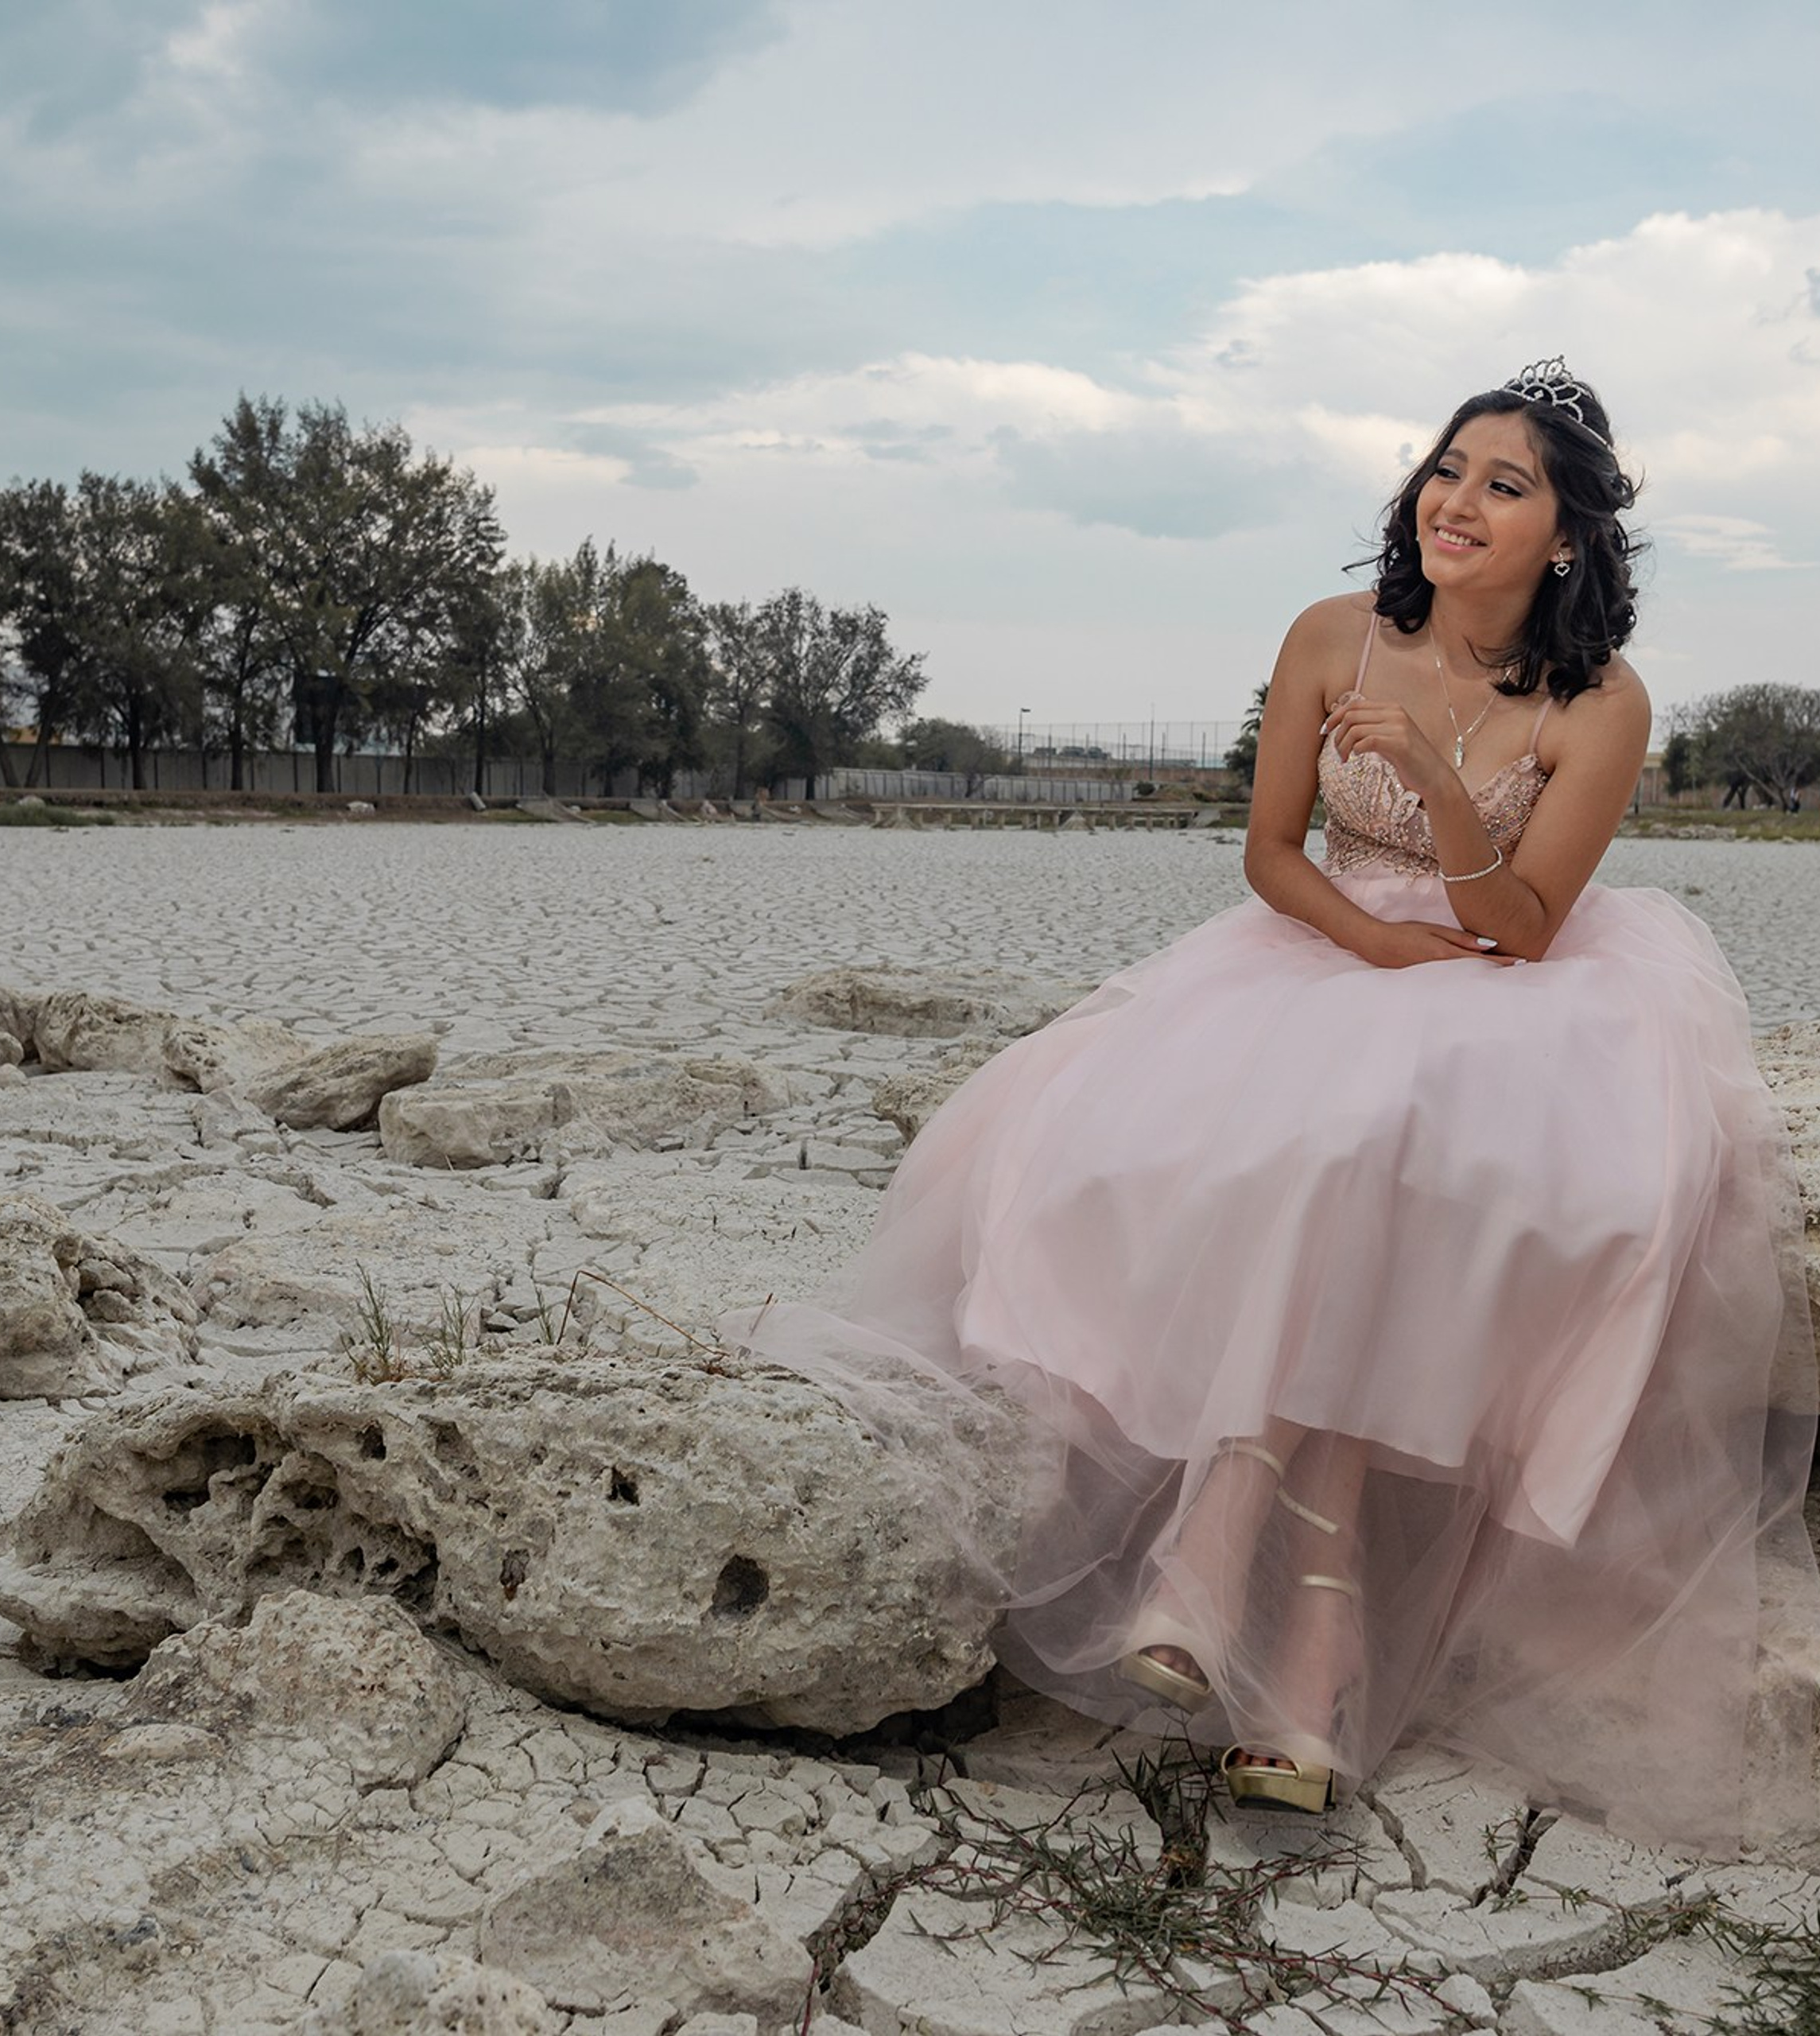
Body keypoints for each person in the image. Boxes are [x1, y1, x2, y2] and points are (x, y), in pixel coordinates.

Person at [722, 361, 1818, 1848]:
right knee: (1275, 1145)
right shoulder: (1327, 635)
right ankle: (1304, 1641)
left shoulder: (1601, 704)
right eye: (1448, 469)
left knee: (1380, 1154)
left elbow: (1527, 925)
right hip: (1324, 950)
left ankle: (1226, 1545)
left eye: (1506, 485)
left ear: (1565, 539)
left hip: (1512, 985)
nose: (1458, 503)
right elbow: (1271, 852)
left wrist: (1437, 780)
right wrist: (1367, 944)